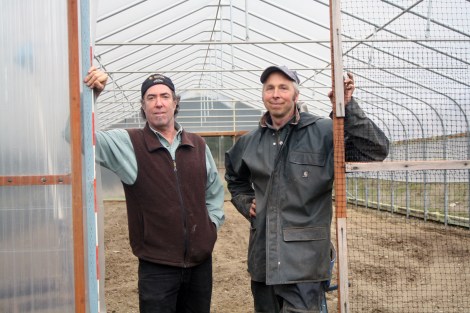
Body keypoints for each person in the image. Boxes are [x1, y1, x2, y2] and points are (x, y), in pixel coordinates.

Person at [224, 65, 389, 313]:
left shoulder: (323, 132)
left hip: (304, 262)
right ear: (263, 95)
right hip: (263, 259)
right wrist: (246, 203)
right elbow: (235, 178)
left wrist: (346, 107)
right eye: (270, 88)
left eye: (283, 87)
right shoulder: (249, 142)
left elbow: (376, 150)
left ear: (296, 95)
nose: (276, 94)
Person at [83, 67, 225, 313]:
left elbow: (213, 190)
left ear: (175, 102)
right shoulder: (129, 143)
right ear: (143, 105)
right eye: (151, 98)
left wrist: (210, 226)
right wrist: (90, 97)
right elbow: (74, 136)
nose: (158, 103)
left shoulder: (197, 145)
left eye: (164, 96)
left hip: (200, 263)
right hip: (157, 266)